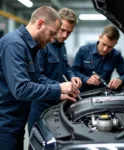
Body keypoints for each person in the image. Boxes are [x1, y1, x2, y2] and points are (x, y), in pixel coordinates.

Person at [0, 6, 78, 150]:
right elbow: (21, 89)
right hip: (5, 125)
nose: (53, 39)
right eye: (52, 33)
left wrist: (60, 93)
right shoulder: (15, 45)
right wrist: (58, 87)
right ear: (40, 24)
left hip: (16, 122)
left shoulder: (32, 47)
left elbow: (36, 78)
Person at [28, 8, 82, 135]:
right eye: (62, 30)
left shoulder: (61, 45)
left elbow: (65, 67)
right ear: (56, 24)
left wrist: (72, 77)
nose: (64, 35)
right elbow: (37, 77)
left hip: (58, 102)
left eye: (69, 32)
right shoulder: (42, 44)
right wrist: (60, 87)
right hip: (41, 104)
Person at [72, 25, 124, 92]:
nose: (105, 49)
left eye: (110, 47)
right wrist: (86, 79)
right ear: (100, 37)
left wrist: (120, 80)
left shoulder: (116, 55)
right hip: (82, 93)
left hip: (103, 95)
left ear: (115, 44)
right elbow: (73, 71)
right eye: (104, 44)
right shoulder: (84, 50)